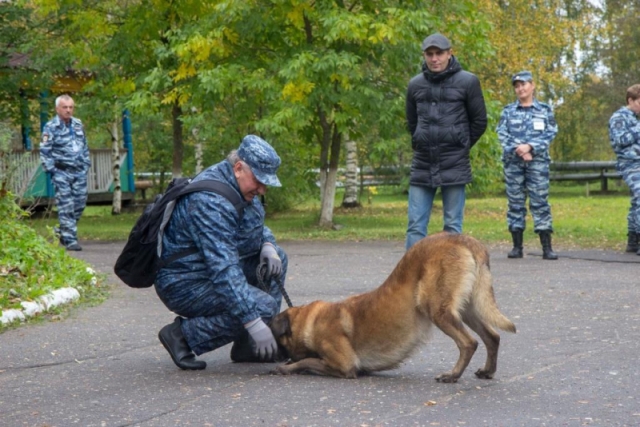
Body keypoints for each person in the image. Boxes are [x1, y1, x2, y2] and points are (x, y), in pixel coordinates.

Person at [155, 135, 287, 370]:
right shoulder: (210, 202)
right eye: (259, 180)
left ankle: (248, 346)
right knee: (261, 307)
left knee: (278, 258)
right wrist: (254, 321)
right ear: (238, 168)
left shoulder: (241, 188)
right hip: (185, 281)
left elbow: (252, 226)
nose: (263, 188)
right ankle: (182, 336)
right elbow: (224, 270)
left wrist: (267, 244)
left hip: (207, 271)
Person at [405, 33, 488, 250]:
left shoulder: (468, 82)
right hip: (422, 162)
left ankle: (450, 280)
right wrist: (420, 141)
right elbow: (412, 122)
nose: (434, 59)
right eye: (429, 54)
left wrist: (460, 144)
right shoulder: (415, 84)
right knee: (415, 226)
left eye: (439, 53)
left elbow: (479, 121)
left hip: (455, 163)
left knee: (452, 227)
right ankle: (410, 280)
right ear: (424, 55)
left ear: (449, 53)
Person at [496, 71, 558, 260]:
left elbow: (551, 131)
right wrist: (520, 149)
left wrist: (531, 147)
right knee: (515, 203)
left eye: (523, 84)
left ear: (532, 85)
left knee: (540, 202)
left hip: (537, 164)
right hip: (513, 163)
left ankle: (546, 247)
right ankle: (517, 247)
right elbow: (502, 133)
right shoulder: (508, 111)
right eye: (516, 85)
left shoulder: (544, 109)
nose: (520, 88)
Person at [39, 95, 91, 251]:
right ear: (57, 109)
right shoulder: (51, 127)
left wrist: (86, 163)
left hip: (79, 171)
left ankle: (61, 231)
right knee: (66, 206)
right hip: (61, 171)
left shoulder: (78, 124)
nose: (68, 110)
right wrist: (51, 170)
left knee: (80, 203)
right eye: (65, 107)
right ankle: (70, 240)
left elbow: (84, 145)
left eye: (71, 107)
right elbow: (45, 150)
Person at [608, 84, 640, 255]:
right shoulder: (619, 117)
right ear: (631, 100)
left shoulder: (634, 118)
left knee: (637, 202)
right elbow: (620, 139)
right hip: (630, 164)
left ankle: (633, 240)